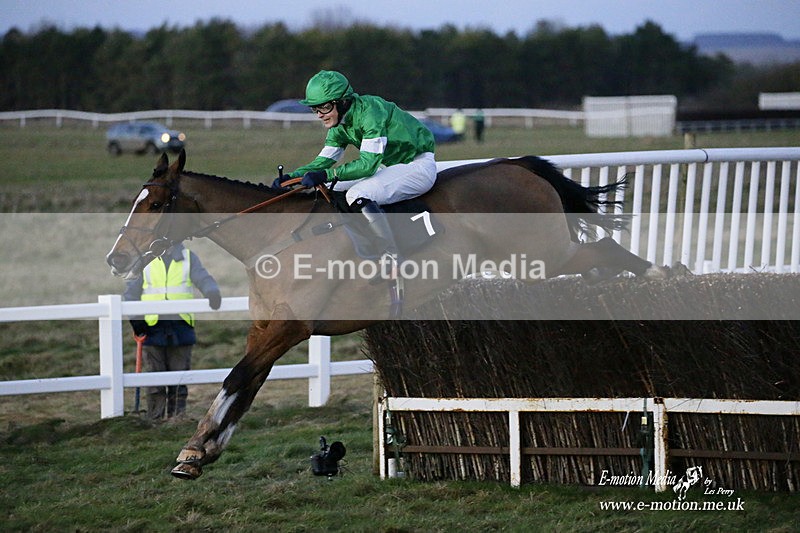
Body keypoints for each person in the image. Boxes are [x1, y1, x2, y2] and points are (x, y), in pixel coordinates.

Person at [273, 70, 437, 271]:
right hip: (391, 168)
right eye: (315, 109)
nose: (319, 115)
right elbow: (323, 162)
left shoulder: (370, 112)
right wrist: (293, 177)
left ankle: (391, 256)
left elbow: (368, 165)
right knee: (329, 188)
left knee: (358, 193)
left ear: (342, 102)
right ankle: (357, 246)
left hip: (417, 166)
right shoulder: (338, 125)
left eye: (324, 107)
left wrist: (327, 175)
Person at [124, 243, 221, 421]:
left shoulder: (189, 257)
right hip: (151, 328)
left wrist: (212, 291)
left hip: (181, 326)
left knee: (179, 377)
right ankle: (156, 419)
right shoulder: (143, 259)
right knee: (155, 379)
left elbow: (203, 278)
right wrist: (136, 319)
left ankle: (177, 419)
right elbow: (131, 293)